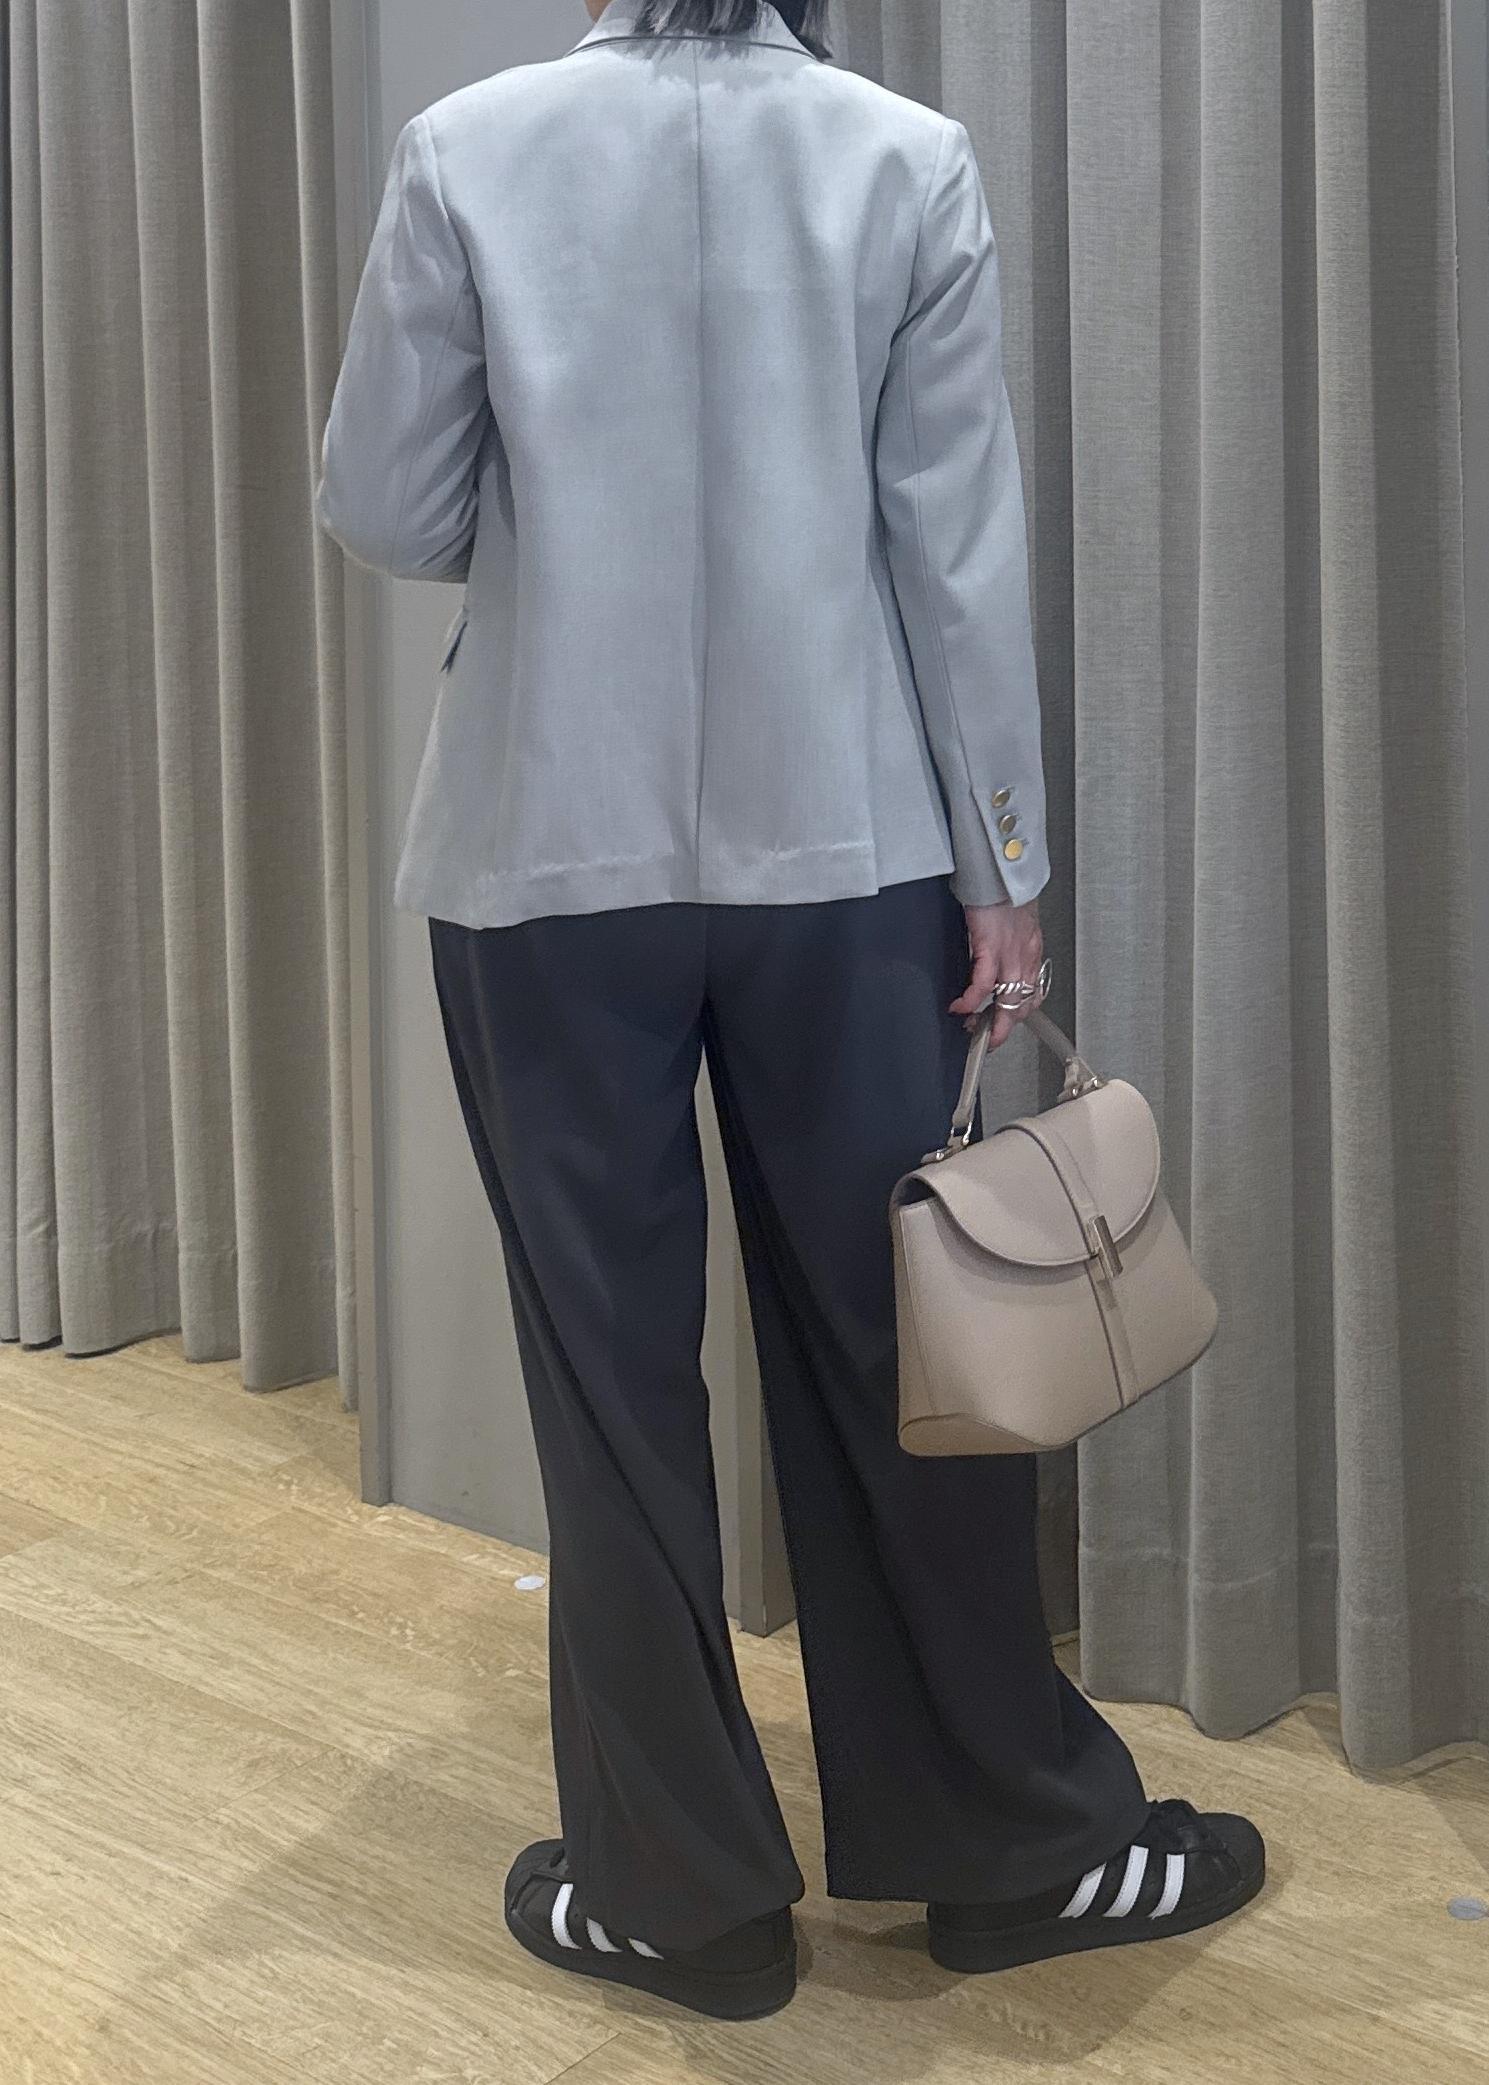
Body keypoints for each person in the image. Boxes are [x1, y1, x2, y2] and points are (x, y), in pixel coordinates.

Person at [316, 0, 1264, 2023]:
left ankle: (679, 1897)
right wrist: (1004, 871)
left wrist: (558, 512)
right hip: (844, 854)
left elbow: (384, 509)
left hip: (544, 857)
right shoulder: (900, 158)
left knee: (609, 1384)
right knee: (902, 1352)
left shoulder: (466, 147)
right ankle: (1010, 1845)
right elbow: (954, 553)